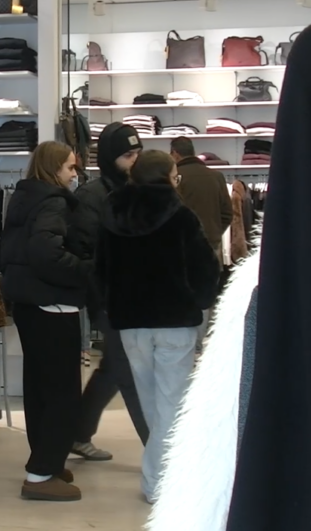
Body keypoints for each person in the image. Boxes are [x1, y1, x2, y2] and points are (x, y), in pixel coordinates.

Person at [98, 149, 220, 504]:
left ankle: (161, 478)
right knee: (171, 403)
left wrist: (109, 305)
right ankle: (161, 483)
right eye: (175, 175)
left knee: (152, 403)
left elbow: (101, 269)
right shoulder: (180, 215)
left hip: (130, 322)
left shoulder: (112, 213)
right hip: (174, 321)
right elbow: (205, 269)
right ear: (167, 177)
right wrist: (201, 301)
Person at [0, 141, 90, 502]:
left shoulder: (24, 198)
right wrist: (86, 270)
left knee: (39, 390)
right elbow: (46, 253)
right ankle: (40, 474)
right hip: (53, 305)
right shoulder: (53, 202)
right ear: (54, 169)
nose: (74, 174)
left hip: (28, 303)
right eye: (70, 167)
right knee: (63, 394)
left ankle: (46, 462)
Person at [67, 123, 149, 461]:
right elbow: (85, 252)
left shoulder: (138, 191)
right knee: (129, 373)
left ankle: (77, 433)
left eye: (138, 153)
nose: (135, 161)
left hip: (136, 298)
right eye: (128, 155)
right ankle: (160, 453)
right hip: (110, 300)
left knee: (114, 370)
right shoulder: (92, 197)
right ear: (110, 158)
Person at [169, 136, 233, 350]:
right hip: (210, 245)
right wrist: (213, 232)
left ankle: (183, 345)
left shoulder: (175, 177)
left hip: (178, 246)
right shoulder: (216, 177)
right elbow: (227, 213)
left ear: (175, 153)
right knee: (205, 295)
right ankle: (200, 347)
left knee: (179, 294)